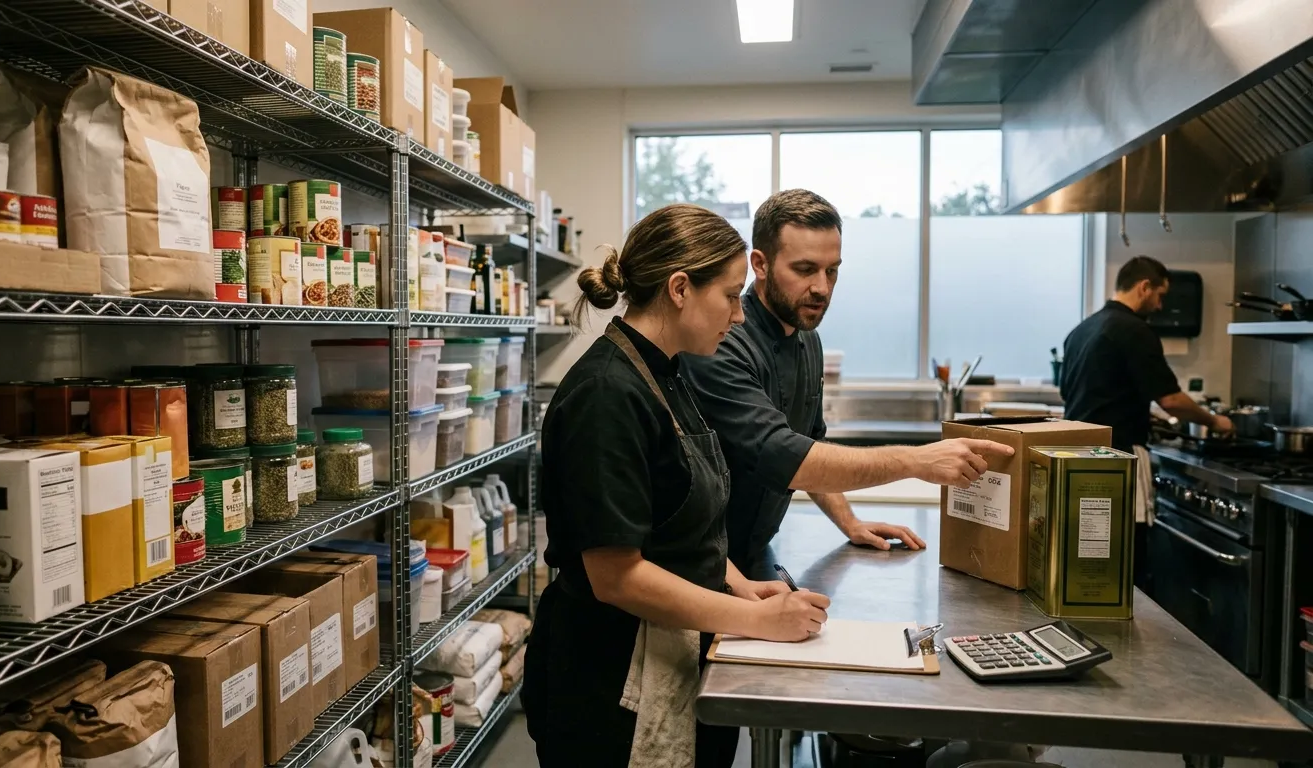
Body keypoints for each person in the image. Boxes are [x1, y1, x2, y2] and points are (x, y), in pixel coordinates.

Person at [522, 203, 831, 768]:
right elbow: (617, 576)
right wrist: (757, 621)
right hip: (609, 680)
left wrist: (737, 584)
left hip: (672, 647)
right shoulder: (606, 394)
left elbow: (681, 519)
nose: (738, 316)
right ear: (681, 288)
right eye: (731, 296)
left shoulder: (665, 371)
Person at [681, 189, 1015, 575]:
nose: (822, 287)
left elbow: (811, 444)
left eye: (832, 270)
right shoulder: (722, 342)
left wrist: (849, 522)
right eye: (805, 270)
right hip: (703, 564)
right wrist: (916, 460)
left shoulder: (808, 339)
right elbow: (786, 457)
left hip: (751, 553)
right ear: (760, 263)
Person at [1059, 254, 1232, 589]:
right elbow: (1172, 400)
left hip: (1076, 460)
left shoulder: (1082, 330)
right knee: (1128, 556)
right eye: (1160, 295)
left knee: (1089, 557)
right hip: (1119, 458)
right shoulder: (1136, 330)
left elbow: (1082, 393)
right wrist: (1216, 422)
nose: (1160, 304)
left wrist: (1140, 410)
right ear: (1144, 286)